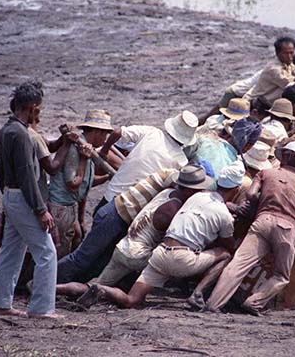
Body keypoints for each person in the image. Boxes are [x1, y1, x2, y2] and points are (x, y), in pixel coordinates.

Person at [77, 162, 246, 310]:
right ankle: (197, 293)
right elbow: (227, 243)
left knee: (131, 300)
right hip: (167, 257)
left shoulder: (178, 196)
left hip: (151, 253)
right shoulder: (215, 212)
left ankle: (87, 289)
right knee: (224, 254)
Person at [0, 106, 74, 296]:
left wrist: (63, 140)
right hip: (30, 200)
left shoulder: (18, 133)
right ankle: (38, 300)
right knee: (45, 250)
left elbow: (48, 147)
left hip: (14, 197)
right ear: (32, 113)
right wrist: (67, 145)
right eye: (38, 114)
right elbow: (52, 166)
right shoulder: (28, 136)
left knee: (6, 244)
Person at [54, 165, 205, 298]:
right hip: (135, 251)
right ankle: (137, 294)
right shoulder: (172, 211)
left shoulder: (166, 193)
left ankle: (54, 288)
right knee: (170, 260)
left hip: (124, 247)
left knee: (95, 281)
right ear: (189, 189)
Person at [206, 141, 295, 315]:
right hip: (286, 229)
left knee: (238, 265)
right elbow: (293, 212)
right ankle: (254, 302)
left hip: (262, 222)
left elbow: (250, 194)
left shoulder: (265, 173)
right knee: (281, 275)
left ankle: (214, 304)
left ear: (284, 157)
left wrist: (261, 201)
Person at [0, 82, 59, 318]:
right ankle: (41, 308)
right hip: (24, 198)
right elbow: (27, 175)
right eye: (38, 110)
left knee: (11, 251)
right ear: (31, 108)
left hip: (10, 195)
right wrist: (41, 209)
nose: (39, 114)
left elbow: (2, 174)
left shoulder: (5, 131)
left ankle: (1, 303)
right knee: (47, 253)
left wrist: (5, 205)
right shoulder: (21, 135)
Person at [94, 111, 198, 213]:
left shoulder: (151, 132)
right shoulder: (181, 161)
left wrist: (104, 151)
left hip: (112, 194)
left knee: (98, 220)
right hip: (134, 208)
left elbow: (117, 132)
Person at [48, 110, 112, 259]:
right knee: (60, 249)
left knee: (77, 236)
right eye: (104, 134)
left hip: (70, 206)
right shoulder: (76, 150)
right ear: (97, 132)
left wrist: (108, 177)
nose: (105, 139)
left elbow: (87, 181)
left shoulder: (87, 148)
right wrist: (83, 159)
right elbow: (73, 183)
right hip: (60, 207)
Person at [243, 36, 295, 104]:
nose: (289, 56)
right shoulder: (274, 69)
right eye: (285, 53)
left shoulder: (287, 63)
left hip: (266, 101)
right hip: (253, 103)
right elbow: (291, 83)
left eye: (291, 53)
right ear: (277, 53)